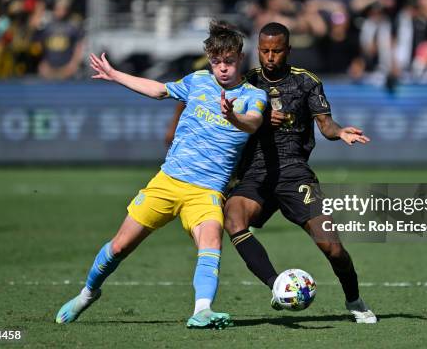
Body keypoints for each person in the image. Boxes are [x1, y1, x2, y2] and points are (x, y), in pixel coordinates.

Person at [55, 21, 267, 329]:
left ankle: (203, 310)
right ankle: (87, 294)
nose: (222, 68)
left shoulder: (252, 95)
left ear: (241, 59)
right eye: (217, 61)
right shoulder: (197, 81)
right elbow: (158, 90)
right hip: (168, 182)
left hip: (206, 191)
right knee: (119, 247)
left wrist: (233, 115)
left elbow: (253, 123)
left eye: (229, 61)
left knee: (212, 243)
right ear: (210, 60)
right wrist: (115, 75)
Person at [224, 22, 377, 324]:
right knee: (233, 217)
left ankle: (355, 300)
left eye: (276, 51)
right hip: (256, 172)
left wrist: (340, 132)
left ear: (288, 50)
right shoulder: (246, 81)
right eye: (265, 51)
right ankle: (277, 286)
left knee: (332, 248)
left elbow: (326, 125)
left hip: (295, 172)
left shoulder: (306, 82)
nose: (270, 57)